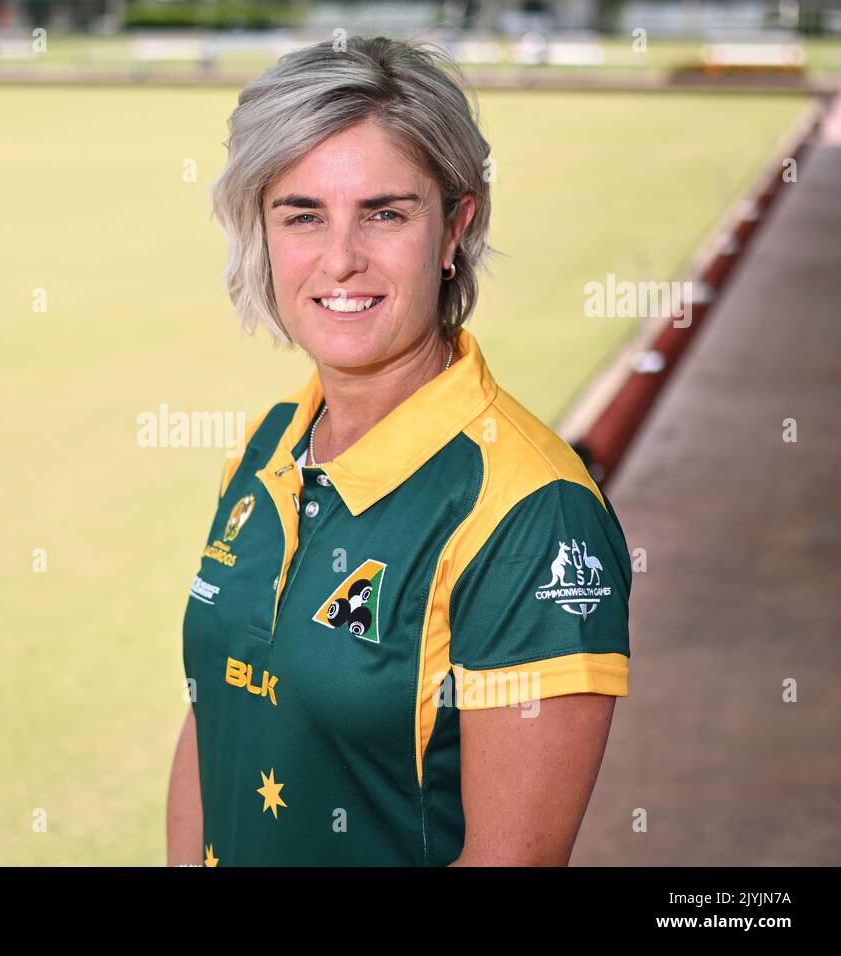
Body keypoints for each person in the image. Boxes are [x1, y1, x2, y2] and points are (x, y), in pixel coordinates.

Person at [168, 35, 632, 867]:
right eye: (302, 214)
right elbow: (215, 723)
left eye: (386, 213)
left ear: (456, 227)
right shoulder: (268, 443)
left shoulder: (533, 512)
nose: (340, 259)